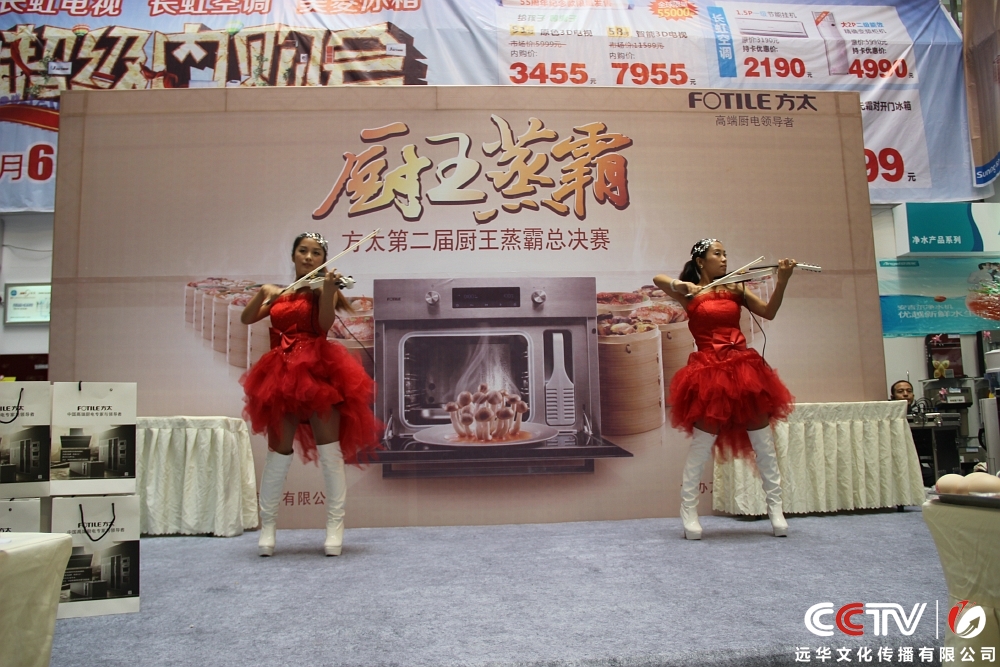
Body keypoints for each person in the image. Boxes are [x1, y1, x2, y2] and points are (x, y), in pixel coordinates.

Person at [240, 232, 381, 557]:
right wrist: (263, 292)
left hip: (318, 370)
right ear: (293, 255)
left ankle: (334, 528)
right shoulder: (279, 293)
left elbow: (323, 326)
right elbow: (247, 318)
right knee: (278, 454)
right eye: (303, 251)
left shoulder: (321, 288)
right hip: (279, 374)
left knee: (330, 454)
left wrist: (328, 290)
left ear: (323, 259)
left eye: (316, 253)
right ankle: (268, 528)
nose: (308, 257)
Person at [653, 239, 796, 540]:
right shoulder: (690, 293)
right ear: (701, 261)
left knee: (763, 444)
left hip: (745, 369)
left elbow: (769, 312)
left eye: (725, 253)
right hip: (708, 372)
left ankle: (776, 510)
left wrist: (782, 280)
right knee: (701, 446)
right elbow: (658, 280)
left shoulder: (735, 288)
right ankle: (689, 512)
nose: (724, 259)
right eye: (717, 254)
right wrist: (681, 285)